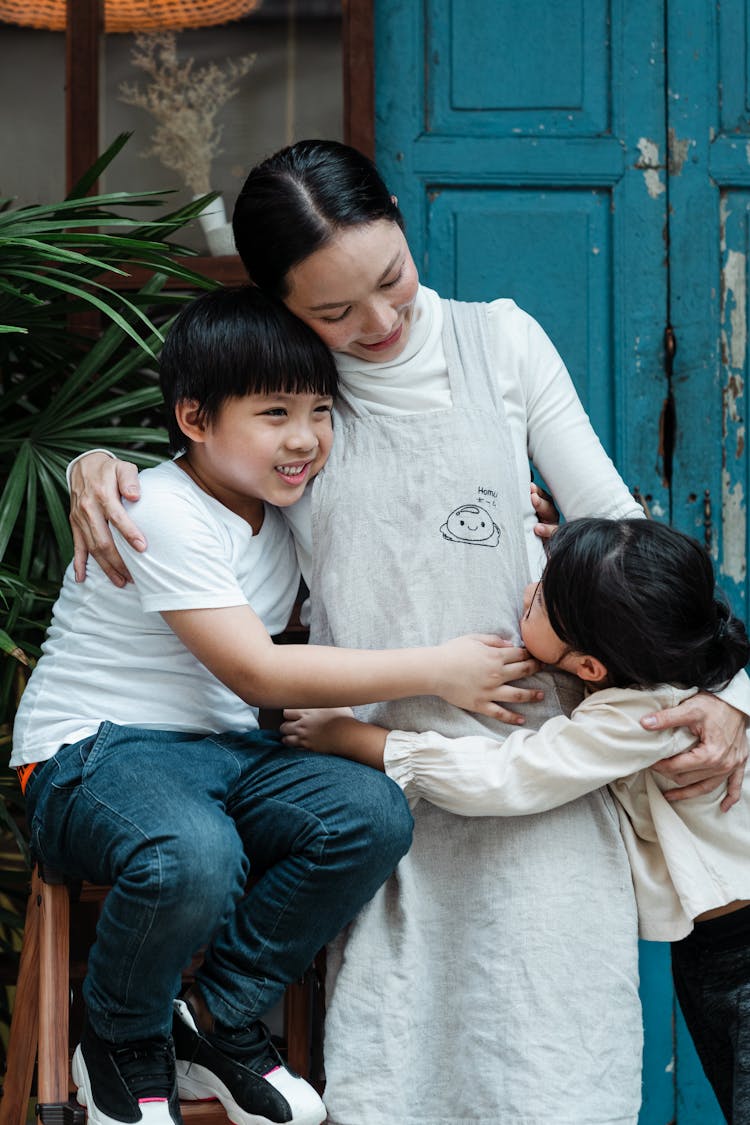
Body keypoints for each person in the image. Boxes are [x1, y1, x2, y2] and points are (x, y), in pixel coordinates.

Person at [67, 141, 750, 1125]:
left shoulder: (500, 341)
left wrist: (722, 701)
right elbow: (191, 480)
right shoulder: (295, 397)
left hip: (543, 775)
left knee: (561, 1079)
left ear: (395, 213)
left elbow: (621, 533)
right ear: (280, 307)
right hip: (384, 786)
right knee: (400, 1083)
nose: (378, 324)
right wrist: (90, 461)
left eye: (390, 280)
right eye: (334, 312)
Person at [14, 285, 542, 1125]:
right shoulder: (160, 512)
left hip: (221, 758)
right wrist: (439, 669)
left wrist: (514, 519)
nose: (304, 439)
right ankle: (116, 1035)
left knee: (370, 813)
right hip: (91, 755)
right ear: (195, 417)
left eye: (320, 411)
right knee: (193, 849)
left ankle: (214, 1018)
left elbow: (403, 524)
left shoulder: (290, 508)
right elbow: (259, 673)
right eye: (273, 413)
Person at [281, 516, 750, 1122]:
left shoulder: (644, 716)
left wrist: (356, 738)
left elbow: (507, 776)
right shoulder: (671, 661)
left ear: (587, 668)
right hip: (717, 946)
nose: (528, 589)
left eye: (545, 594)